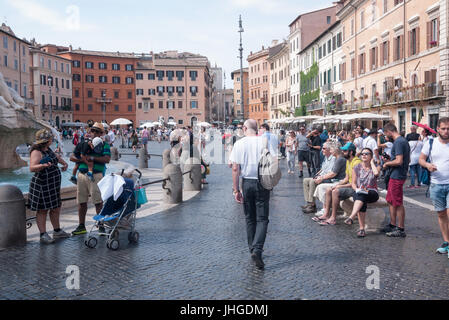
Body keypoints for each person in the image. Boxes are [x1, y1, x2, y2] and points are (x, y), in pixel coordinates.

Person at [230, 119, 270, 269]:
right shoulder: (264, 141)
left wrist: (236, 190)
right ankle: (258, 250)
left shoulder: (239, 144)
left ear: (245, 128)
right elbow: (273, 163)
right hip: (263, 182)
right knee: (262, 219)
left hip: (246, 182)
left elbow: (235, 168)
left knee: (249, 218)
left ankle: (253, 249)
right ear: (257, 129)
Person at [28, 129, 70, 244]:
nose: (52, 140)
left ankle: (57, 231)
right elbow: (32, 167)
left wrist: (64, 163)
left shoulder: (48, 149)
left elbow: (55, 157)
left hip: (52, 185)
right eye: (50, 138)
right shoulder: (36, 151)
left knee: (56, 208)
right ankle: (43, 234)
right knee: (43, 210)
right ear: (47, 141)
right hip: (42, 185)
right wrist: (43, 165)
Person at [70, 123, 111, 235]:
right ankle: (81, 226)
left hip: (96, 175)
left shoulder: (104, 145)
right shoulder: (83, 144)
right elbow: (72, 157)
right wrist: (83, 160)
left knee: (98, 202)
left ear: (102, 134)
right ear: (90, 132)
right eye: (93, 131)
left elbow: (107, 159)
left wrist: (92, 157)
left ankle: (101, 225)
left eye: (98, 131)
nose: (95, 133)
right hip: (82, 175)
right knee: (81, 202)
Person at [419, 117, 449, 255]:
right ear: (438, 129)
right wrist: (427, 165)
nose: (446, 131)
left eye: (448, 128)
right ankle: (446, 242)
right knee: (441, 214)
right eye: (443, 128)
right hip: (436, 185)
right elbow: (421, 159)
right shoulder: (430, 142)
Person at [315, 142, 361, 225]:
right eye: (343, 150)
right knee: (329, 189)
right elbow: (346, 178)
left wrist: (339, 186)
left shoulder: (356, 162)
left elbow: (354, 183)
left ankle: (333, 218)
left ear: (351, 152)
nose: (343, 152)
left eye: (345, 151)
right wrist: (337, 185)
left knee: (335, 191)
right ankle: (326, 214)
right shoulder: (348, 161)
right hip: (349, 185)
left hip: (355, 188)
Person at [343, 148, 381, 237]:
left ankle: (353, 218)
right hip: (360, 191)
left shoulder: (376, 166)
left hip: (372, 192)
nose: (363, 155)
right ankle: (361, 229)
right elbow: (353, 183)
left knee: (361, 195)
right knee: (361, 197)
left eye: (366, 154)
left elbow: (376, 174)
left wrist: (372, 163)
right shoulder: (357, 167)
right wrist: (356, 189)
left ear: (371, 156)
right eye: (362, 154)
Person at [382, 123, 411, 238]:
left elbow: (399, 161)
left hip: (397, 175)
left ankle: (400, 228)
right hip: (396, 174)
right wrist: (390, 159)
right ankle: (392, 224)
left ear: (389, 131)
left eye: (385, 134)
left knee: (397, 202)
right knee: (390, 200)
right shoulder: (402, 141)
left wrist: (387, 163)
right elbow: (404, 160)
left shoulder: (398, 142)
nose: (386, 137)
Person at [301, 142, 338, 214]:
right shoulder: (326, 157)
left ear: (329, 149)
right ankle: (309, 202)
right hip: (322, 176)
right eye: (322, 148)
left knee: (312, 181)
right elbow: (323, 169)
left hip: (328, 179)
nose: (322, 150)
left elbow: (330, 172)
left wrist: (320, 177)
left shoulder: (333, 159)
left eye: (324, 148)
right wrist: (317, 174)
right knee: (305, 180)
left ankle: (312, 205)